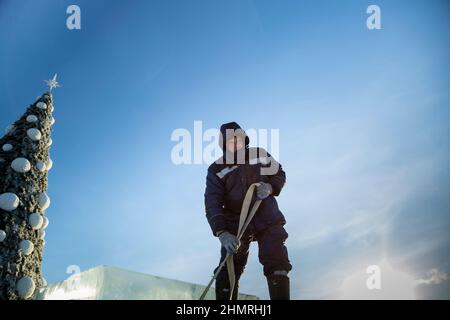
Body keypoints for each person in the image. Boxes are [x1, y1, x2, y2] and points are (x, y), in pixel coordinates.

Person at [204, 121, 292, 300]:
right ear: (224, 145)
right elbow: (212, 202)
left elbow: (279, 174)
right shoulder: (216, 169)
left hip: (266, 216)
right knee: (228, 268)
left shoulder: (259, 154)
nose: (235, 142)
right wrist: (222, 233)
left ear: (244, 138)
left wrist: (270, 186)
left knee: (276, 258)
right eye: (230, 140)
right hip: (235, 223)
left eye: (238, 138)